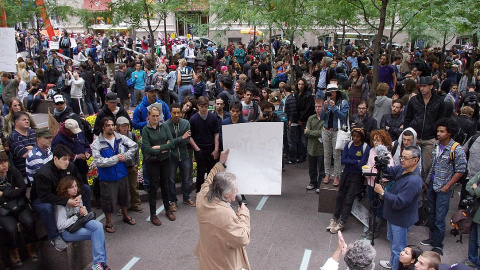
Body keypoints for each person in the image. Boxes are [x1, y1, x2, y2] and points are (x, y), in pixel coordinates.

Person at [194, 149, 251, 270]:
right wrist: (244, 214)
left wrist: (221, 163)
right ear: (225, 194)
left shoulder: (202, 196)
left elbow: (209, 179)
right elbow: (242, 238)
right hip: (223, 264)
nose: (237, 191)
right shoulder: (225, 214)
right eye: (235, 189)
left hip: (207, 259)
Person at [31, 144, 91, 251]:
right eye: (64, 159)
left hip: (61, 194)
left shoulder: (71, 166)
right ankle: (54, 237)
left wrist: (79, 194)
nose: (67, 162)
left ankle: (86, 218)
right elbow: (45, 196)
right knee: (46, 207)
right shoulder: (44, 174)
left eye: (68, 159)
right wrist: (67, 201)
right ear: (55, 159)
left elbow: (80, 182)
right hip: (41, 198)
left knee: (86, 189)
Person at [422, 118, 467, 256]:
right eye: (438, 131)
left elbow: (461, 170)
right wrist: (427, 182)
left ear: (449, 133)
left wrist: (447, 186)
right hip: (432, 185)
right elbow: (433, 166)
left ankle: (438, 245)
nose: (439, 134)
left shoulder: (456, 149)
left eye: (442, 131)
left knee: (440, 218)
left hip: (443, 188)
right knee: (432, 213)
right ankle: (432, 237)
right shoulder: (436, 145)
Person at [374, 145, 423, 270]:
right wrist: (383, 164)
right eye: (401, 157)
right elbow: (390, 172)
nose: (402, 160)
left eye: (405, 158)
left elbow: (400, 202)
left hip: (401, 219)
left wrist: (382, 192)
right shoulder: (403, 168)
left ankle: (397, 267)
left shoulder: (414, 181)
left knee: (399, 249)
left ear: (415, 160)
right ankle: (392, 262)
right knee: (392, 242)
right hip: (393, 216)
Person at [142, 105, 190, 225]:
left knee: (165, 185)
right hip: (152, 162)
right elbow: (147, 148)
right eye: (153, 116)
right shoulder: (145, 129)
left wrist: (159, 147)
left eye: (157, 116)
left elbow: (172, 143)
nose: (155, 118)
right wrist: (164, 148)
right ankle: (153, 214)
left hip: (165, 161)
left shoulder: (164, 126)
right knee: (153, 188)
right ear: (148, 116)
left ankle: (167, 209)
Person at [91, 117, 138, 233]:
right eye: (108, 125)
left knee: (124, 197)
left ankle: (125, 216)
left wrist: (125, 156)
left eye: (112, 125)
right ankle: (108, 222)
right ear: (103, 127)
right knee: (108, 201)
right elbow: (98, 161)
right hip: (107, 178)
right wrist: (115, 159)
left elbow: (134, 146)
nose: (111, 127)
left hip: (122, 174)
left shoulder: (120, 138)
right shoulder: (97, 143)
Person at [54, 176, 110, 270]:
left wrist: (84, 212)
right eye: (72, 187)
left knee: (98, 226)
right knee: (97, 233)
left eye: (76, 186)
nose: (75, 189)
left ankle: (100, 263)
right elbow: (60, 226)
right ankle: (100, 263)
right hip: (67, 231)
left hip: (79, 223)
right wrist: (77, 216)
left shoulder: (77, 197)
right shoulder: (61, 204)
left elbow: (82, 216)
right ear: (65, 189)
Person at [327, 127, 370, 234]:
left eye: (358, 137)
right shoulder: (348, 145)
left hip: (356, 176)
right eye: (354, 136)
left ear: (362, 137)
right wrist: (356, 161)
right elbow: (343, 160)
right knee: (340, 195)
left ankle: (342, 222)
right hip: (346, 173)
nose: (355, 139)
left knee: (349, 198)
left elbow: (361, 165)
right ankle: (335, 218)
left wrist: (351, 162)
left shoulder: (365, 148)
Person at [0, 150, 38, 267]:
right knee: (10, 229)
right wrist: (13, 191)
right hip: (4, 210)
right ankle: (14, 253)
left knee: (29, 222)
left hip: (19, 204)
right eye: (1, 163)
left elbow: (22, 190)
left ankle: (31, 247)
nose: (4, 165)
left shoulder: (14, 171)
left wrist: (4, 194)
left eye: (5, 161)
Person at [404, 76, 446, 182]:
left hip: (430, 137)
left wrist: (437, 137)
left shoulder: (439, 101)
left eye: (424, 86)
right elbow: (408, 118)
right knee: (410, 163)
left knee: (427, 166)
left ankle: (424, 186)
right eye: (420, 86)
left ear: (431, 87)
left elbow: (442, 120)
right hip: (415, 136)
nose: (422, 88)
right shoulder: (414, 100)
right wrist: (408, 133)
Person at [165, 104, 196, 212]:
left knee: (186, 179)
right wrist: (181, 138)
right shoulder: (166, 125)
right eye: (174, 113)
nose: (177, 115)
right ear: (170, 113)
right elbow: (167, 143)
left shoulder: (186, 123)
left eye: (179, 112)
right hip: (171, 157)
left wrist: (174, 141)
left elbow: (187, 141)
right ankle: (172, 201)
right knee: (171, 179)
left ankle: (186, 198)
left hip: (184, 155)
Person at [189, 96, 220, 193]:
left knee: (212, 172)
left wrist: (216, 149)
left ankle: (212, 191)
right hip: (200, 149)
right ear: (198, 106)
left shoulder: (213, 117)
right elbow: (190, 136)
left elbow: (216, 134)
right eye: (202, 106)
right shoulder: (193, 119)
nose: (204, 109)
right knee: (200, 172)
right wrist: (197, 149)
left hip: (211, 148)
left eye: (206, 106)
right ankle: (199, 191)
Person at [321, 84, 349, 186]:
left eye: (333, 92)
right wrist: (324, 108)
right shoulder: (326, 102)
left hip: (337, 131)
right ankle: (327, 174)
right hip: (326, 130)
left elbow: (343, 117)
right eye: (329, 92)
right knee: (327, 154)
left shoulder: (343, 103)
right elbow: (322, 118)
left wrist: (334, 108)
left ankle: (336, 176)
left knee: (336, 155)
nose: (331, 94)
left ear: (337, 92)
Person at [51, 119, 92, 186]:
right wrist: (76, 156)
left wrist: (87, 152)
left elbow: (86, 145)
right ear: (67, 130)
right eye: (73, 132)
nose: (75, 133)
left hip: (82, 168)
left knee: (85, 187)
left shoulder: (79, 134)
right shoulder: (58, 140)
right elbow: (58, 156)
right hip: (69, 171)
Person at [115, 116, 143, 213]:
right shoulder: (115, 137)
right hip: (121, 166)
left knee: (133, 187)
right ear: (118, 127)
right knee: (122, 188)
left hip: (131, 165)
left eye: (126, 126)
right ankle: (124, 206)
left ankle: (136, 204)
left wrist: (137, 163)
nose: (124, 128)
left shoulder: (132, 135)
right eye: (122, 126)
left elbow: (136, 149)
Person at [9, 111, 36, 184]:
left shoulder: (33, 132)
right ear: (16, 122)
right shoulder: (14, 136)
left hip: (37, 169)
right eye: (24, 120)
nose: (27, 121)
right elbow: (23, 154)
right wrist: (35, 148)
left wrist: (29, 148)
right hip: (24, 173)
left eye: (28, 120)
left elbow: (42, 148)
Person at [305, 99, 325, 193]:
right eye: (316, 106)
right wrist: (312, 133)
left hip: (321, 148)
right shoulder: (311, 118)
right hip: (311, 147)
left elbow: (323, 133)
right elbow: (306, 132)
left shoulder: (326, 119)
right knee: (312, 167)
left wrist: (310, 132)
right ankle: (313, 182)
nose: (317, 108)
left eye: (319, 106)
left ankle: (320, 184)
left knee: (321, 167)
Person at [466, 171, 480, 269]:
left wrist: (477, 190)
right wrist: (477, 192)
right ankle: (472, 259)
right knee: (473, 238)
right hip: (476, 212)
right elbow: (468, 185)